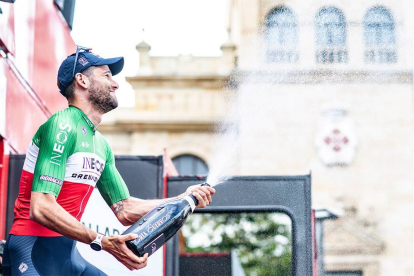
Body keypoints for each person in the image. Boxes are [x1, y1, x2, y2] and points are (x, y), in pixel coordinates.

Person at [1, 46, 215, 276]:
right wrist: (102, 241)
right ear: (81, 80)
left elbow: (125, 210)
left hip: (67, 254)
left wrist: (184, 198)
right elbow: (41, 207)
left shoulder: (101, 144)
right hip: (33, 250)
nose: (115, 84)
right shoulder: (62, 125)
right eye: (106, 75)